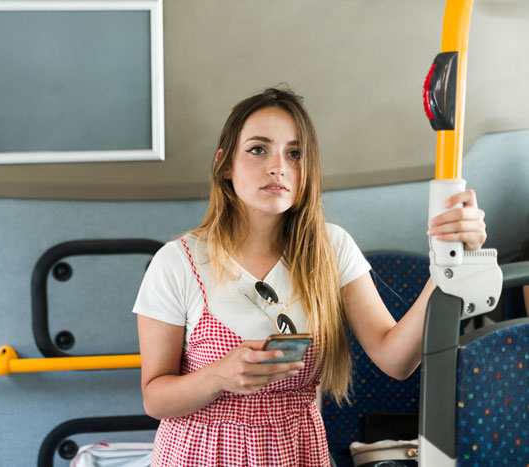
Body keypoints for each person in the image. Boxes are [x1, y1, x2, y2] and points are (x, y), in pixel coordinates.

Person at [132, 87, 487, 466]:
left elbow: (396, 360)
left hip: (298, 451)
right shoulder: (177, 262)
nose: (278, 166)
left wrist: (448, 263)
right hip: (200, 454)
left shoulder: (332, 249)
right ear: (224, 165)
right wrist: (218, 377)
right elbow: (155, 398)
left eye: (295, 153)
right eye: (257, 149)